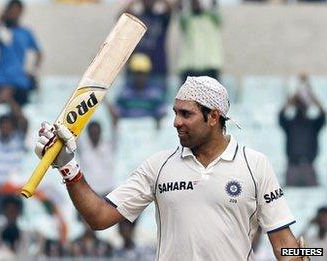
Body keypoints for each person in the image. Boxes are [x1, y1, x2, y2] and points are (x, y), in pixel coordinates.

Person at [35, 76, 304, 260]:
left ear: (213, 117)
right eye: (175, 112)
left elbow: (284, 244)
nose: (176, 122)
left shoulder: (254, 165)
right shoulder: (159, 166)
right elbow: (99, 217)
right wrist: (68, 167)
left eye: (186, 114)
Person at [0, 0, 42, 106]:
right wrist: (0, 18)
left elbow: (39, 54)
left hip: (20, 82)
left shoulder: (26, 32)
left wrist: (32, 71)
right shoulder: (3, 30)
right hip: (2, 80)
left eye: (16, 10)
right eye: (11, 10)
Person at [279, 74, 325, 187]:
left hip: (309, 167)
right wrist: (290, 100)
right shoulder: (290, 124)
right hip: (292, 167)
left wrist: (312, 97)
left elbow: (323, 114)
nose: (301, 107)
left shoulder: (313, 124)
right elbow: (280, 115)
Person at [121, 0, 177, 83]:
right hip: (135, 69)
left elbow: (170, 9)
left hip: (157, 68)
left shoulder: (161, 18)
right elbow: (123, 16)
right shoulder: (135, 18)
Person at [115, 53, 168, 129]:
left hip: (148, 132)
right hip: (129, 131)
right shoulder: (125, 94)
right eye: (137, 74)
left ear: (147, 74)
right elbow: (118, 113)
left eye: (142, 74)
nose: (139, 77)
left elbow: (162, 112)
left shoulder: (154, 94)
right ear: (132, 74)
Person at [177, 0, 224, 84]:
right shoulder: (187, 18)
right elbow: (180, 12)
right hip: (189, 68)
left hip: (210, 67)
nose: (196, 2)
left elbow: (215, 8)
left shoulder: (212, 17)